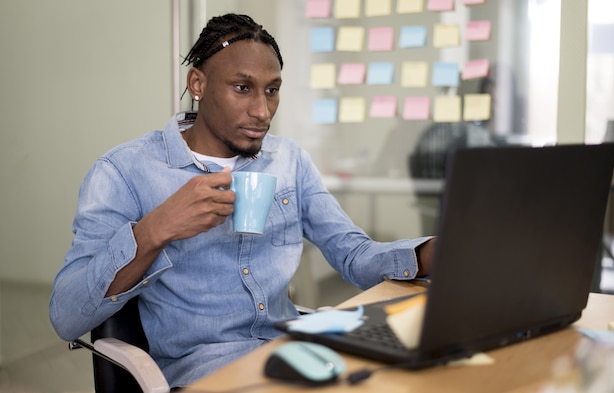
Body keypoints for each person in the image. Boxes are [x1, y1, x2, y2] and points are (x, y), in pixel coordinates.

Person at [49, 13, 435, 388]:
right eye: (242, 87)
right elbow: (66, 317)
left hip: (296, 353)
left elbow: (352, 254)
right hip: (206, 371)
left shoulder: (288, 160)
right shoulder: (123, 171)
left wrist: (429, 254)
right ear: (197, 84)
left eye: (272, 90)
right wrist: (156, 229)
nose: (262, 111)